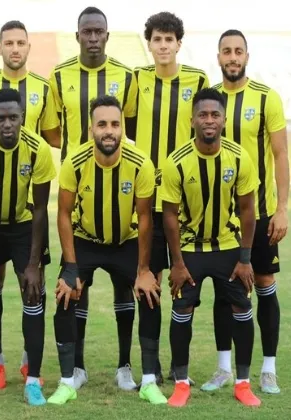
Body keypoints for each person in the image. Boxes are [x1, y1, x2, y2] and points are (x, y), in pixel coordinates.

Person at [0, 19, 60, 389]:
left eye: (21, 42)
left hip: (23, 220)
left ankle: (30, 366)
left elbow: (52, 136)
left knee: (33, 285)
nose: (15, 48)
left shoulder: (42, 97)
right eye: (9, 43)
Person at [46, 95, 164, 405]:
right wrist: (71, 268)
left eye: (114, 124)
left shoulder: (140, 163)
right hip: (86, 240)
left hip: (126, 241)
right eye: (102, 124)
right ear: (91, 130)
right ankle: (69, 379)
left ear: (122, 127)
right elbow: (63, 214)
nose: (109, 130)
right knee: (65, 293)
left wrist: (143, 270)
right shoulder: (74, 162)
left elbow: (145, 218)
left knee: (150, 294)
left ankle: (145, 379)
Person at [48, 6, 139, 391]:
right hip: (79, 195)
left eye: (98, 31)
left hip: (121, 196)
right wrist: (79, 154)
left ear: (107, 35)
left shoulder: (126, 77)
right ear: (77, 36)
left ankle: (125, 367)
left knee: (125, 285)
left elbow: (128, 128)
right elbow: (52, 131)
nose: (93, 37)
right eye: (86, 31)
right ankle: (77, 368)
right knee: (73, 287)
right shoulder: (59, 76)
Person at [161, 88, 261, 407]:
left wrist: (245, 258)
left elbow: (248, 210)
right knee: (182, 310)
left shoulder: (238, 157)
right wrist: (177, 263)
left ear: (224, 120)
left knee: (241, 309)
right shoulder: (176, 162)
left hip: (228, 247)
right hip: (189, 250)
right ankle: (181, 383)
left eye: (215, 115)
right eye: (202, 115)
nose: (209, 120)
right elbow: (169, 215)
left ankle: (243, 384)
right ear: (192, 120)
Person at [203, 29, 289, 394]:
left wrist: (282, 209)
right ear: (219, 57)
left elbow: (281, 154)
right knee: (225, 288)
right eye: (227, 51)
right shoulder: (209, 100)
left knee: (265, 284)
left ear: (247, 57)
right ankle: (224, 368)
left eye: (238, 51)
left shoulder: (267, 97)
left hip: (261, 212)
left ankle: (268, 369)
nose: (233, 57)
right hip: (221, 217)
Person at [127, 11, 210, 385]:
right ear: (149, 44)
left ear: (179, 43)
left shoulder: (197, 79)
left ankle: (180, 365)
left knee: (183, 283)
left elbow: (205, 126)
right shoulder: (138, 79)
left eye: (169, 39)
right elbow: (129, 125)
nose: (163, 46)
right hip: (147, 199)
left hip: (184, 200)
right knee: (149, 280)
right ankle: (151, 366)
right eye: (157, 39)